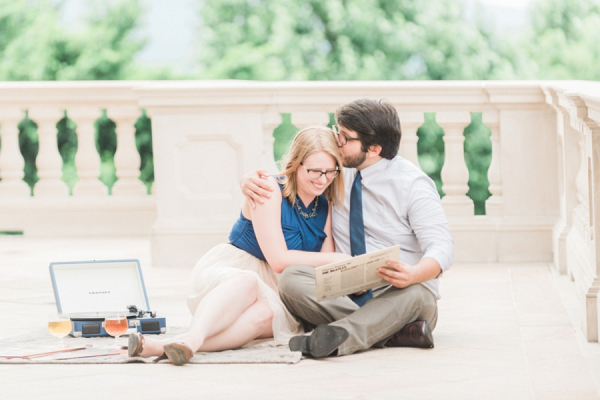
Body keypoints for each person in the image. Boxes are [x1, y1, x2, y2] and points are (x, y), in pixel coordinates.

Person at [241, 99, 454, 358]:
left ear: (374, 148)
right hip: (345, 290)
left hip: (398, 291)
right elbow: (299, 172)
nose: (336, 141)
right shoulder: (337, 172)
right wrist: (250, 180)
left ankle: (339, 338)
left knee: (420, 294)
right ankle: (392, 333)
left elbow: (442, 247)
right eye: (337, 131)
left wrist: (413, 274)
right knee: (292, 278)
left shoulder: (413, 184)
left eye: (344, 138)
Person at [128, 126, 350, 365]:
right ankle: (192, 338)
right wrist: (338, 259)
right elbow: (277, 259)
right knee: (248, 282)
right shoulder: (268, 189)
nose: (323, 179)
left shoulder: (324, 205)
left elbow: (324, 267)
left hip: (279, 289)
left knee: (267, 314)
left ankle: (162, 347)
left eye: (330, 171)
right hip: (236, 275)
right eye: (315, 171)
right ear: (296, 164)